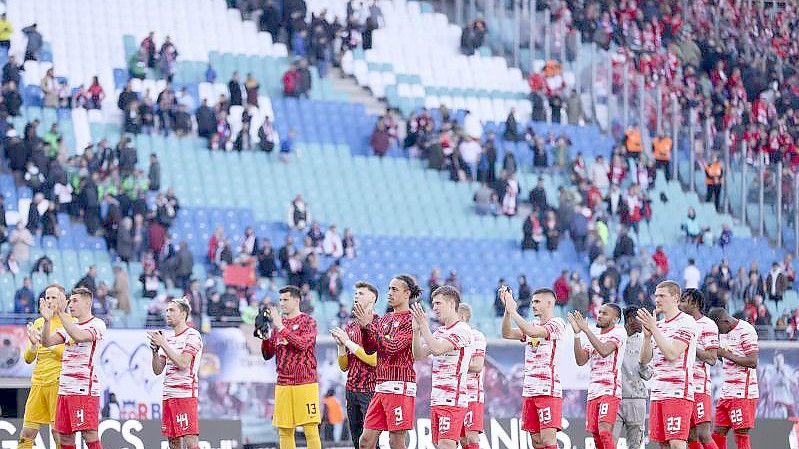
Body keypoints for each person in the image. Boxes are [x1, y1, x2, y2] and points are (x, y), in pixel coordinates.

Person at [353, 275, 419, 449]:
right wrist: (364, 328)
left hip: (400, 386)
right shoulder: (385, 319)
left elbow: (392, 347)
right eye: (389, 289)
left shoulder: (412, 320)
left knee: (395, 442)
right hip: (381, 386)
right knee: (365, 442)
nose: (389, 293)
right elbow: (370, 349)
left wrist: (369, 326)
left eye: (394, 289)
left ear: (407, 294)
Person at [40, 287, 107, 449]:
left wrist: (61, 313)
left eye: (75, 301)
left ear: (88, 302)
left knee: (89, 434)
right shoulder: (70, 325)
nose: (70, 305)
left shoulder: (97, 324)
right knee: (65, 438)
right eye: (69, 301)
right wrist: (48, 320)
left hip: (84, 389)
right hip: (64, 389)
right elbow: (47, 342)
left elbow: (79, 336)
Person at [501, 287, 566, 449]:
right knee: (536, 441)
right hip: (529, 391)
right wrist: (508, 311)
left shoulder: (557, 323)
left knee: (548, 440)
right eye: (532, 302)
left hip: (547, 391)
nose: (533, 305)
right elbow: (507, 333)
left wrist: (514, 311)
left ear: (550, 303)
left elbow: (533, 332)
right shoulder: (531, 324)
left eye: (537, 301)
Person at [411, 286, 473, 449]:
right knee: (446, 443)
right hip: (438, 397)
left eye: (438, 303)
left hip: (452, 398)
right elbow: (418, 355)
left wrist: (424, 325)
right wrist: (416, 331)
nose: (434, 308)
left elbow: (438, 349)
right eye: (433, 303)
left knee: (446, 444)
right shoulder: (439, 332)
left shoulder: (462, 329)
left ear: (452, 304)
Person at [638, 281, 698, 449]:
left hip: (678, 392)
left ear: (675, 298)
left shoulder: (686, 322)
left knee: (677, 444)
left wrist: (654, 329)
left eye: (662, 296)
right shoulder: (658, 326)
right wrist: (647, 336)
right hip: (658, 392)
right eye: (656, 295)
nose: (657, 299)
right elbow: (644, 360)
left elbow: (672, 353)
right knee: (663, 444)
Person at [260, 286, 321, 449]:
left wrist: (281, 328)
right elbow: (267, 354)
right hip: (283, 383)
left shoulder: (308, 321)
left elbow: (303, 344)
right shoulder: (277, 326)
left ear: (296, 300)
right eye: (280, 300)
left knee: (310, 429)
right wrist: (265, 337)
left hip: (305, 382)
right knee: (284, 430)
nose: (282, 303)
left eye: (285, 300)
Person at [16, 285, 68, 449]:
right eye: (47, 298)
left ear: (63, 300)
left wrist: (46, 343)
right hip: (38, 383)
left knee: (57, 433)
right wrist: (32, 344)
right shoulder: (39, 322)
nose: (50, 301)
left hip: (57, 384)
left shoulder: (70, 323)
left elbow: (66, 355)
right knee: (27, 433)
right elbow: (27, 358)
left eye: (54, 297)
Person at [148, 297, 204, 449]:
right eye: (166, 310)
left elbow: (183, 363)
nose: (167, 313)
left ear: (183, 314)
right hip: (168, 395)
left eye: (172, 310)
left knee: (190, 441)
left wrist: (163, 344)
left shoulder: (192, 335)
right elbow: (158, 370)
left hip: (185, 396)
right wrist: (155, 351)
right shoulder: (170, 339)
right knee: (173, 442)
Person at [569, 305, 626, 449]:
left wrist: (586, 330)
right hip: (593, 391)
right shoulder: (594, 335)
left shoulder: (619, 332)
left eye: (605, 313)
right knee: (596, 435)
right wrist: (577, 335)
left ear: (616, 319)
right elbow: (581, 361)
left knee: (605, 431)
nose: (599, 315)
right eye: (599, 312)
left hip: (609, 389)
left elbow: (604, 350)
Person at [330, 282, 379, 449]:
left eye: (361, 293)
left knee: (370, 442)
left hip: (370, 391)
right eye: (356, 293)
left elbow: (373, 360)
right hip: (351, 390)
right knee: (357, 441)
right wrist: (340, 345)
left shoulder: (379, 324)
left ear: (372, 298)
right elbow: (344, 367)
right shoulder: (350, 326)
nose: (356, 296)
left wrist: (347, 342)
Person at [707, 308, 759, 449]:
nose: (719, 333)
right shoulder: (724, 332)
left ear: (725, 321)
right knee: (717, 433)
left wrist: (726, 354)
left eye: (718, 328)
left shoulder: (746, 330)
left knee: (741, 434)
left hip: (743, 392)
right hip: (726, 392)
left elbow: (753, 361)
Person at [678, 289, 720, 449]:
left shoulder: (707, 325)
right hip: (682, 387)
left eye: (683, 301)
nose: (680, 304)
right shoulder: (680, 323)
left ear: (694, 303)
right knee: (690, 435)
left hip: (698, 387)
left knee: (703, 433)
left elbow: (712, 358)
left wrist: (690, 345)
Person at [614, 307, 652, 449]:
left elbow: (648, 375)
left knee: (635, 445)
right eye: (638, 319)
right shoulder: (616, 339)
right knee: (608, 443)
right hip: (615, 398)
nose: (642, 324)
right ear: (629, 320)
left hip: (637, 399)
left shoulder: (645, 342)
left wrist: (643, 365)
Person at [458, 303, 486, 449]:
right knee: (462, 439)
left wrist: (456, 364)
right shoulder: (449, 336)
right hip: (455, 394)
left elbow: (477, 366)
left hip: (471, 394)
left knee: (471, 436)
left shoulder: (476, 336)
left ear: (462, 317)